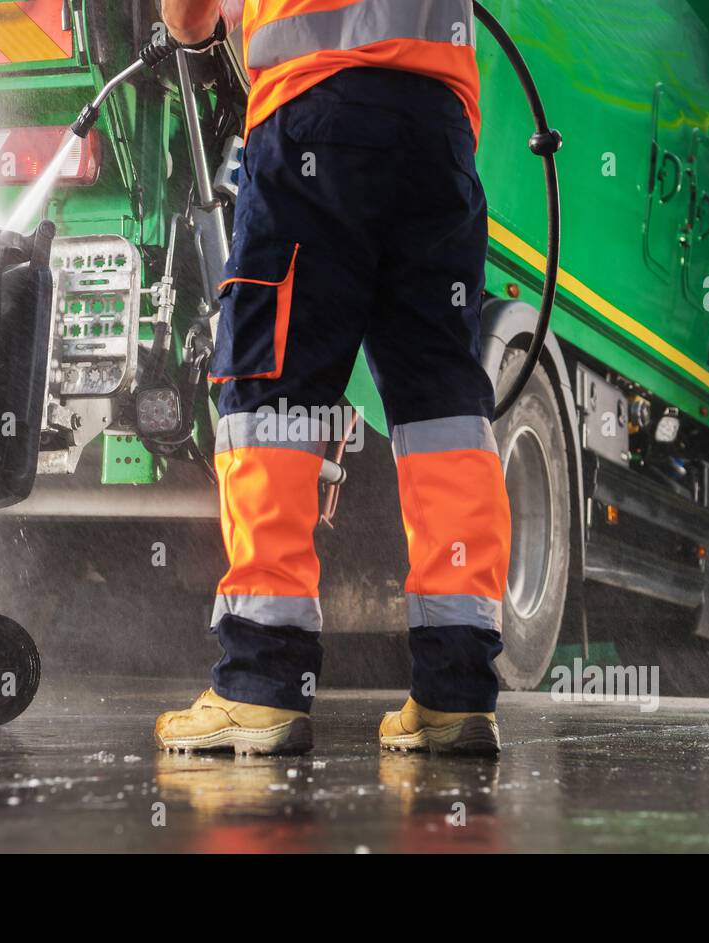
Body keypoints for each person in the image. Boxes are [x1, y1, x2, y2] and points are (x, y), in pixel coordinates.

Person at [154, 0, 512, 756]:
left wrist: (199, 27)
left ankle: (261, 682)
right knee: (442, 406)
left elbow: (187, 17)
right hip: (438, 134)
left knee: (269, 390)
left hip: (314, 120)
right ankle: (456, 694)